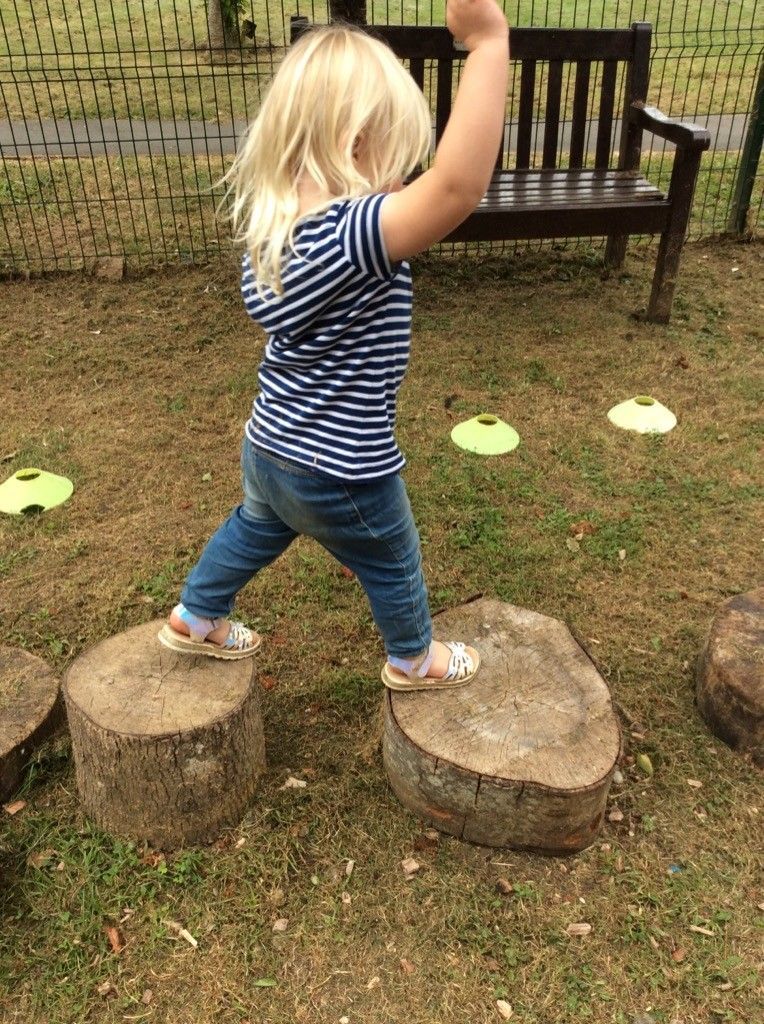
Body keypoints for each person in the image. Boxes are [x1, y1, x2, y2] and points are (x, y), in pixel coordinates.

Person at [158, 0, 509, 690]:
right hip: (342, 466)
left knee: (255, 529)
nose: (402, 181)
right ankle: (415, 658)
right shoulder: (349, 234)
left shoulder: (277, 228)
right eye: (395, 156)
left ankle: (195, 618)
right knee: (391, 554)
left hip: (270, 447)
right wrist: (488, 45)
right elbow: (459, 186)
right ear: (353, 145)